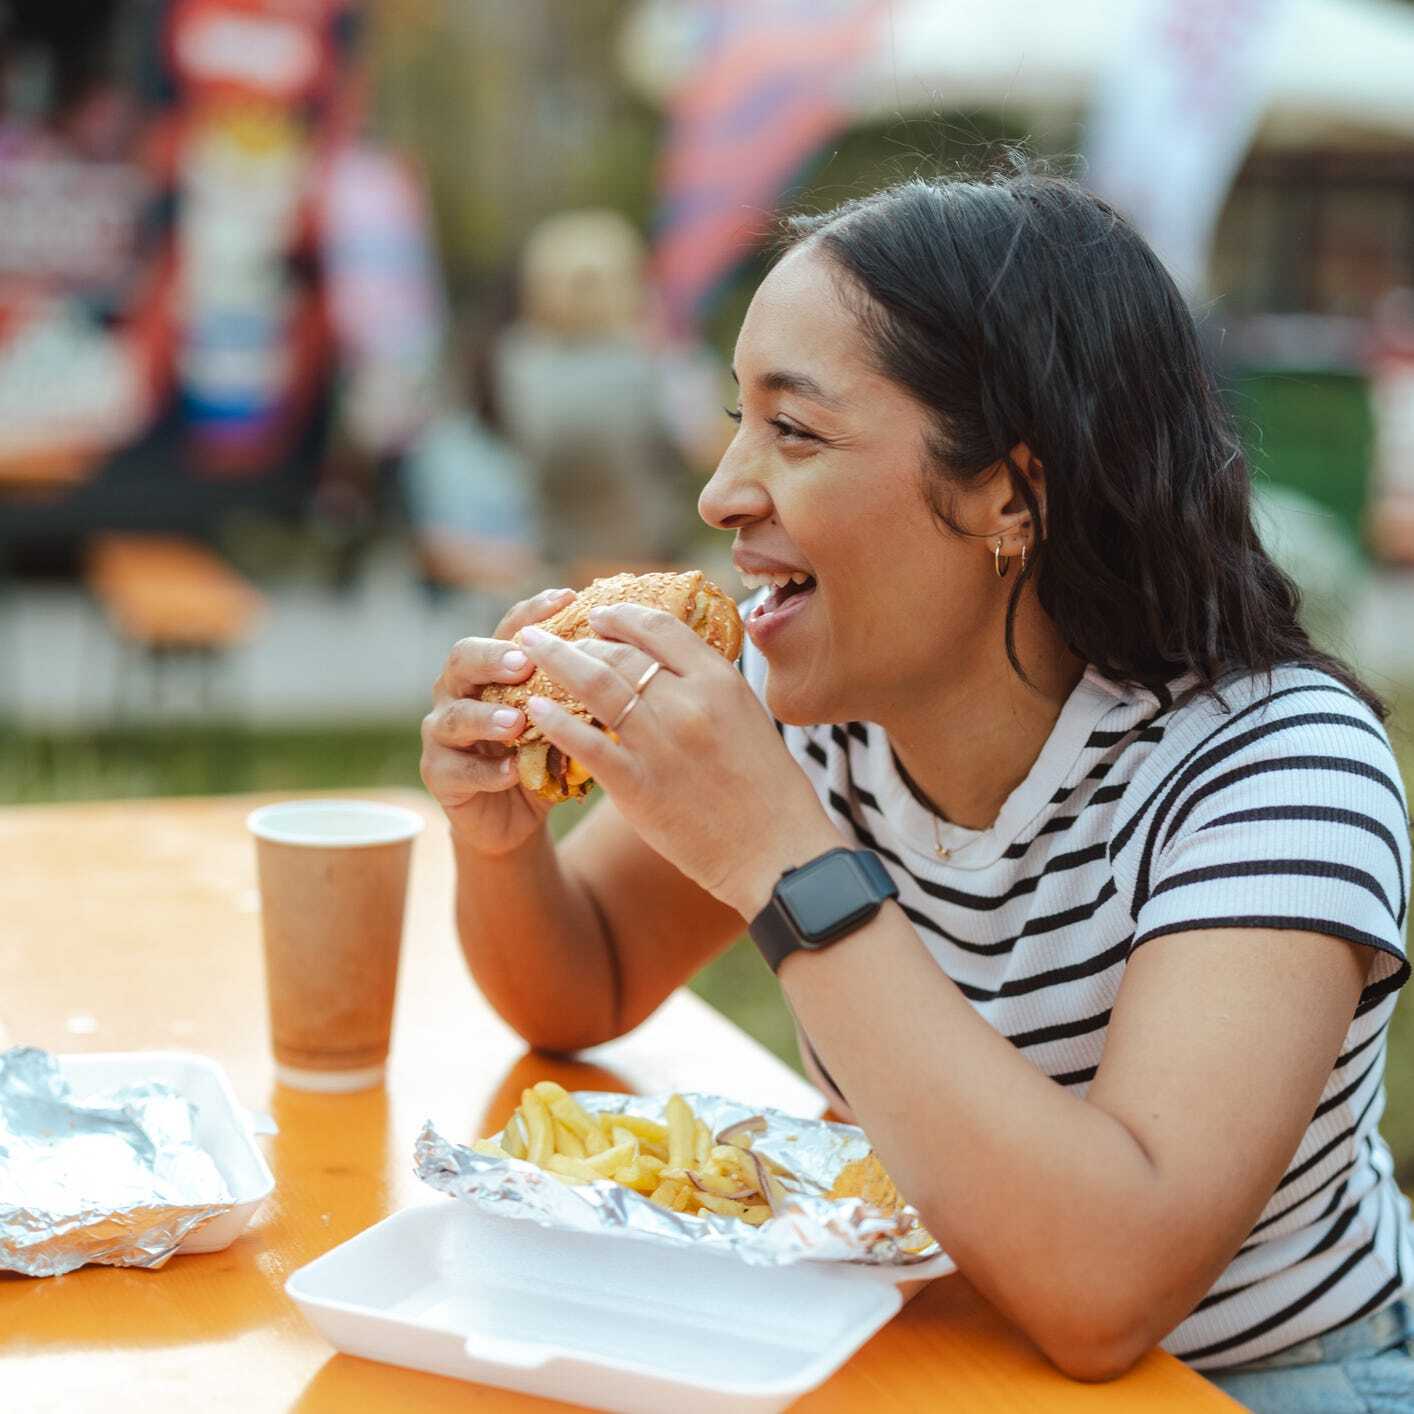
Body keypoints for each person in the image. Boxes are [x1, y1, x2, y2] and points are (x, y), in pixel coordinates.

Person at [420, 168, 1413, 1410]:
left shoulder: (1274, 768)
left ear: (1011, 493)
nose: (721, 491)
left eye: (794, 430)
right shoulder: (840, 719)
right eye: (737, 420)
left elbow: (1109, 1290)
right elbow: (581, 984)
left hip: (1252, 1379)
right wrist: (500, 839)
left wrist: (785, 868)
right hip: (926, 1344)